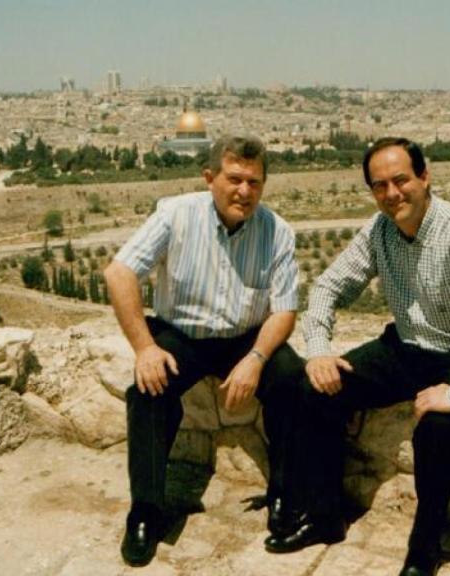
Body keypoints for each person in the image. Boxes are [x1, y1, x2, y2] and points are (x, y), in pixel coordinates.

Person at [265, 137, 450, 576]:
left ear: (424, 177)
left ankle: (424, 551)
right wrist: (319, 351)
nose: (392, 193)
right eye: (380, 186)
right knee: (313, 387)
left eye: (401, 180)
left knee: (436, 429)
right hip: (405, 347)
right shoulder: (379, 231)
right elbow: (327, 287)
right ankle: (326, 518)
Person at [104, 135, 304, 567]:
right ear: (210, 178)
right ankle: (146, 511)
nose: (244, 192)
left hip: (245, 337)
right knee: (148, 393)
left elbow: (285, 310)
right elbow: (119, 273)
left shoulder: (277, 231)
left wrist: (255, 359)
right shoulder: (175, 214)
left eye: (254, 182)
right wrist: (144, 348)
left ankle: (286, 495)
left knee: (291, 380)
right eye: (234, 179)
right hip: (183, 334)